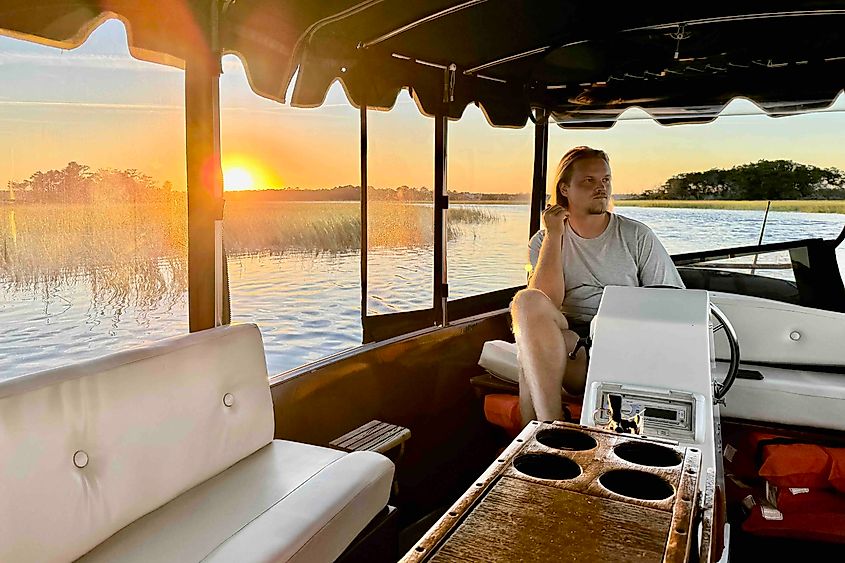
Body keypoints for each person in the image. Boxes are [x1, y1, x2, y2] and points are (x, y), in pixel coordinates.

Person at [510, 146, 684, 424]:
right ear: (565, 189)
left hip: (622, 345)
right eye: (588, 181)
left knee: (526, 355)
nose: (601, 188)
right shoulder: (543, 242)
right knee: (525, 301)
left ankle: (537, 427)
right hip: (571, 349)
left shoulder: (636, 236)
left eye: (605, 179)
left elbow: (671, 302)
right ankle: (551, 422)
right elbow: (547, 302)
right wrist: (554, 235)